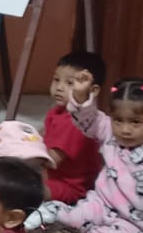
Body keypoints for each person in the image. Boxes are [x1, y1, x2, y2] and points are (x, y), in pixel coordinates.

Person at [41, 77, 143, 233]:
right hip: (99, 204)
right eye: (118, 120)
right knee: (59, 215)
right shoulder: (110, 133)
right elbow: (89, 119)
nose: (125, 129)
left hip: (135, 224)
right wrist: (81, 95)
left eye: (135, 122)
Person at [43, 51, 106, 205]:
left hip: (72, 186)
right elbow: (42, 135)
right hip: (53, 174)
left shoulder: (75, 122)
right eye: (56, 80)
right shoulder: (57, 111)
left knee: (24, 187)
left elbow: (51, 160)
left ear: (92, 90)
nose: (59, 87)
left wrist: (19, 154)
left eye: (70, 83)